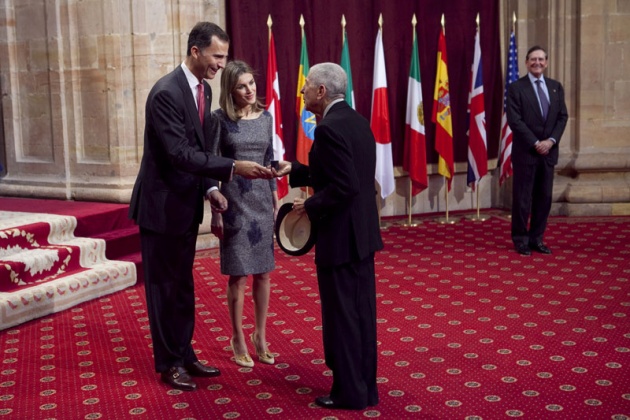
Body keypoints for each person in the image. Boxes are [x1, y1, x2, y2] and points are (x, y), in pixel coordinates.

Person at [129, 22, 272, 392]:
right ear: (196, 51)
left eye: (224, 56)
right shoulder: (165, 92)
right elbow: (179, 153)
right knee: (163, 287)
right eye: (217, 56)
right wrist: (231, 168)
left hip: (185, 205)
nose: (222, 64)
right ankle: (169, 364)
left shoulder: (204, 90)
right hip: (161, 208)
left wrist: (210, 190)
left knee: (183, 284)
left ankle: (185, 353)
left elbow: (202, 149)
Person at [273, 62, 383, 410]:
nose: (302, 91)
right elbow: (345, 172)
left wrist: (311, 203)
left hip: (341, 239)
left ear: (321, 91)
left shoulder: (327, 130)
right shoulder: (356, 121)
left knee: (343, 317)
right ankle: (364, 387)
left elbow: (345, 186)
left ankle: (349, 393)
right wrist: (299, 171)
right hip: (361, 236)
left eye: (307, 85)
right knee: (360, 313)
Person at [208, 60, 278, 368]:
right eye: (242, 86)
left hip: (262, 202)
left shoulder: (266, 118)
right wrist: (215, 210)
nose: (250, 90)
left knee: (263, 272)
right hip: (233, 203)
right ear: (230, 90)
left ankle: (259, 335)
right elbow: (210, 164)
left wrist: (275, 199)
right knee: (238, 275)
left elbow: (270, 159)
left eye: (251, 83)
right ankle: (236, 335)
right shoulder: (219, 120)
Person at [506, 45, 568, 256]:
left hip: (548, 153)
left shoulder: (555, 87)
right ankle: (521, 240)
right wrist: (535, 142)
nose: (537, 63)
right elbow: (515, 121)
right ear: (526, 62)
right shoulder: (516, 88)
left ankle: (537, 239)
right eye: (533, 59)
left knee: (544, 198)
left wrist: (550, 141)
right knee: (523, 199)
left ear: (546, 62)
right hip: (527, 152)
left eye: (541, 59)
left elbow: (562, 117)